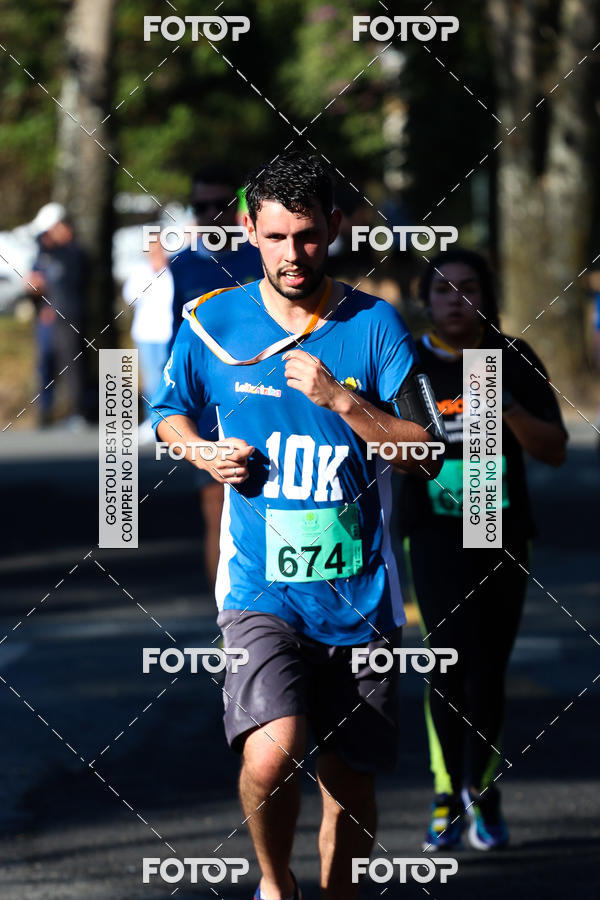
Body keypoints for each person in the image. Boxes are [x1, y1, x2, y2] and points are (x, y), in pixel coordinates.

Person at [150, 151, 445, 900]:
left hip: (360, 596)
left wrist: (344, 402)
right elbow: (165, 414)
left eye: (308, 237)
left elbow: (427, 453)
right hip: (259, 588)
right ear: (250, 229)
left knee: (349, 786)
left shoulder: (373, 325)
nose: (291, 255)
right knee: (271, 757)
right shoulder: (212, 323)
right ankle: (276, 885)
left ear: (335, 229)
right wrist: (203, 452)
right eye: (276, 237)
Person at [396, 248, 567, 851]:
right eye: (443, 289)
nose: (455, 299)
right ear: (426, 298)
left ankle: (483, 790)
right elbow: (390, 449)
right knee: (445, 664)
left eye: (467, 287)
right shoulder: (407, 361)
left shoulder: (513, 359)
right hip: (436, 532)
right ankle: (447, 793)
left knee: (488, 667)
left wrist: (507, 405)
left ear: (485, 295)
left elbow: (554, 449)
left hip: (499, 529)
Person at [168, 165, 264, 590]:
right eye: (200, 205)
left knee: (269, 499)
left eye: (219, 204)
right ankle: (230, 622)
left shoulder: (261, 256)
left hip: (266, 393)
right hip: (210, 405)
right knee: (217, 507)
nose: (210, 214)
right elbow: (179, 343)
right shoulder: (181, 266)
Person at [27, 202, 88, 427]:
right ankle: (45, 413)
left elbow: (69, 286)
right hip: (46, 320)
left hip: (68, 318)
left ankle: (76, 412)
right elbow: (36, 283)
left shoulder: (74, 254)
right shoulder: (43, 253)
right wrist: (34, 289)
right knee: (45, 364)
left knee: (72, 365)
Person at [122, 236, 173, 440]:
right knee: (151, 380)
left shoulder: (172, 270)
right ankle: (152, 421)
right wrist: (152, 274)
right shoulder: (140, 271)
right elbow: (130, 297)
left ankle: (169, 422)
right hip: (146, 333)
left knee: (168, 379)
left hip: (168, 333)